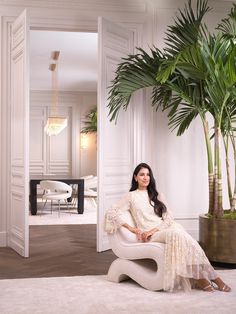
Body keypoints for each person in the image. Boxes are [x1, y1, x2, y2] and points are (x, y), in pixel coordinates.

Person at [104, 162, 231, 293]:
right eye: (142, 174)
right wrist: (132, 229)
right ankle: (211, 278)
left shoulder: (157, 194)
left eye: (148, 174)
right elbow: (112, 213)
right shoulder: (131, 196)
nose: (145, 177)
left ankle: (207, 278)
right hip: (151, 235)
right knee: (177, 235)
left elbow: (169, 217)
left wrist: (155, 229)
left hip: (163, 228)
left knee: (187, 240)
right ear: (135, 177)